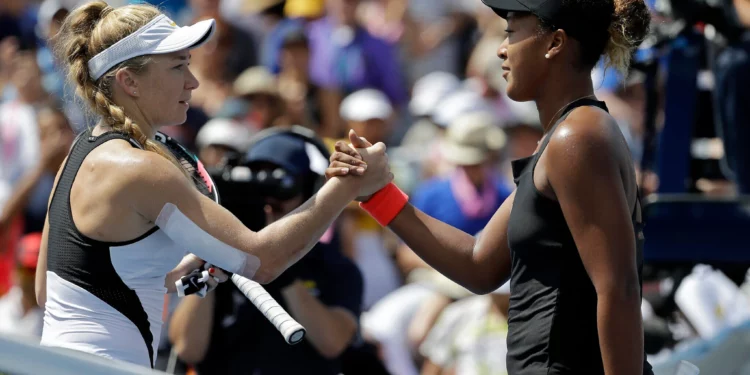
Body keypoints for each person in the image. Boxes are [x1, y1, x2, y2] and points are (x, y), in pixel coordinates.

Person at [36, 1, 390, 368]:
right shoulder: (140, 168)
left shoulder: (80, 154)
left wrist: (176, 272)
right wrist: (347, 185)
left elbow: (51, 291)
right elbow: (262, 261)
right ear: (129, 81)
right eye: (177, 67)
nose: (193, 81)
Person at [328, 0, 655, 373]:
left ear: (555, 43)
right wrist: (379, 194)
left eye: (512, 33)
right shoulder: (566, 138)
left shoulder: (576, 137)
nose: (501, 49)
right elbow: (479, 266)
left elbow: (619, 289)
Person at [169, 131, 365, 374]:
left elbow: (333, 343)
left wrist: (276, 264)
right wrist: (217, 251)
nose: (269, 202)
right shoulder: (218, 256)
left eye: (282, 186)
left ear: (309, 191)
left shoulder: (336, 267)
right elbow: (188, 347)